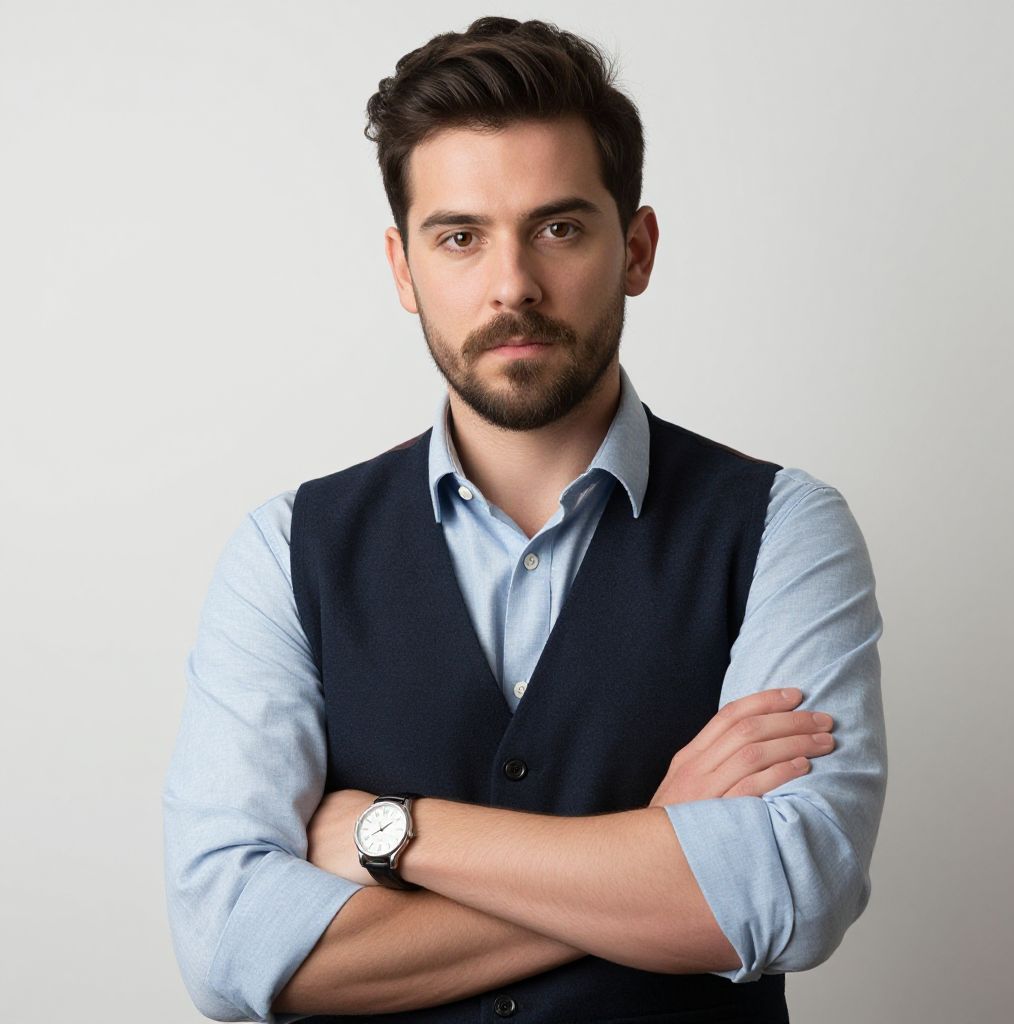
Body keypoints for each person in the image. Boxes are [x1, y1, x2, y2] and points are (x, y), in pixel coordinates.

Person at [162, 16, 886, 1024]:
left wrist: (397, 835)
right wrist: (659, 837)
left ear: (634, 249)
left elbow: (791, 894)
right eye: (460, 236)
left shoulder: (781, 528)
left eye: (559, 227)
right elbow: (229, 946)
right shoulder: (286, 551)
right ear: (403, 268)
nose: (511, 285)